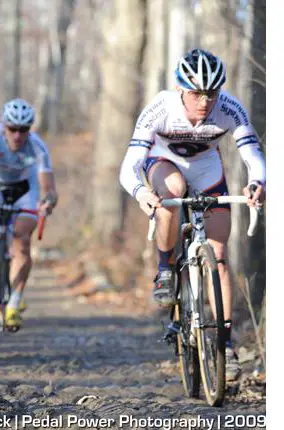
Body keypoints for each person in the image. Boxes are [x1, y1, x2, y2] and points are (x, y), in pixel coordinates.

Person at [119, 48, 266, 382]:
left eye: (211, 93)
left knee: (220, 255)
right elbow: (129, 165)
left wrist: (258, 183)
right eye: (197, 93)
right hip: (163, 165)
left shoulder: (229, 108)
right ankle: (164, 270)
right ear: (180, 88)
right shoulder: (160, 107)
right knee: (171, 190)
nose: (204, 101)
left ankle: (225, 347)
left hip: (207, 171)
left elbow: (253, 156)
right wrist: (142, 193)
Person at [0, 98, 58, 331]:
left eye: (24, 130)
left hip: (25, 192)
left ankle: (14, 302)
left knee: (21, 238)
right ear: (3, 126)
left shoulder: (37, 147)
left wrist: (47, 202)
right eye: (13, 129)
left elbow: (48, 188)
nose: (18, 135)